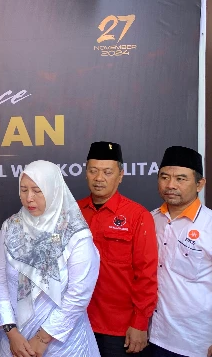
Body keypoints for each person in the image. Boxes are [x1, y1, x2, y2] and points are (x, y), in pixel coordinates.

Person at [0, 160, 100, 357]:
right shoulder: (11, 227)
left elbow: (78, 294)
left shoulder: (75, 233)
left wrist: (42, 339)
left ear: (53, 189)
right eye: (24, 190)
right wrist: (11, 332)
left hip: (63, 344)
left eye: (37, 190)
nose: (29, 198)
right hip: (15, 343)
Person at [77, 141, 158, 356]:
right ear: (86, 173)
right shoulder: (73, 212)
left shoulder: (138, 216)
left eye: (107, 172)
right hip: (77, 321)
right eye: (93, 171)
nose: (99, 178)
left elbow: (147, 274)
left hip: (119, 328)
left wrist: (140, 323)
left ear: (120, 175)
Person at [149, 146, 212, 357]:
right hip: (150, 336)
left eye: (181, 179)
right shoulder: (150, 220)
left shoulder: (209, 225)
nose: (170, 185)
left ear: (199, 184)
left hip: (193, 342)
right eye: (164, 177)